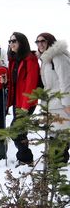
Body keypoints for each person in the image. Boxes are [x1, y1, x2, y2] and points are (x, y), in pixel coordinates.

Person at [36, 32, 70, 163]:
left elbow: (66, 81)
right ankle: (54, 165)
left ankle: (59, 168)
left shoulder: (58, 57)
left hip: (61, 105)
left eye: (43, 41)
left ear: (50, 41)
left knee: (60, 137)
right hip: (52, 104)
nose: (40, 44)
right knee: (54, 136)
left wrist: (67, 104)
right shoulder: (47, 59)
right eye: (37, 42)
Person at [7, 32, 40, 166]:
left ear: (22, 42)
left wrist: (25, 106)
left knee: (15, 131)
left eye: (14, 41)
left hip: (26, 102)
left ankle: (26, 158)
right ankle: (24, 159)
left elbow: (31, 83)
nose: (11, 43)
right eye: (9, 41)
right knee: (21, 131)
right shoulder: (14, 59)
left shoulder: (30, 59)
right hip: (17, 101)